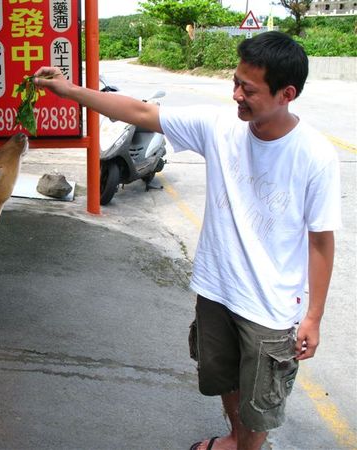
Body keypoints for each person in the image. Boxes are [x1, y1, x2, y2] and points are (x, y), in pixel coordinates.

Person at [34, 31, 341, 450]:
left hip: (270, 308)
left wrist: (314, 317)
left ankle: (248, 443)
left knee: (261, 407)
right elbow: (140, 112)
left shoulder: (316, 156)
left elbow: (321, 242)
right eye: (235, 82)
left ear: (286, 93)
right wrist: (69, 91)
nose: (236, 95)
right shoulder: (220, 127)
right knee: (223, 379)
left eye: (248, 89)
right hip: (216, 290)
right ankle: (235, 438)